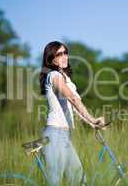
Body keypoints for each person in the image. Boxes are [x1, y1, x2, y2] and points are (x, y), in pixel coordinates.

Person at [39, 41, 105, 186]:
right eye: (59, 54)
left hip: (65, 137)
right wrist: (92, 118)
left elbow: (73, 107)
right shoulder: (54, 75)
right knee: (55, 182)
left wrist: (92, 123)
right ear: (51, 59)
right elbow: (72, 99)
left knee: (80, 181)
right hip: (55, 136)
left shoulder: (65, 78)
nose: (64, 56)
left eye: (65, 53)